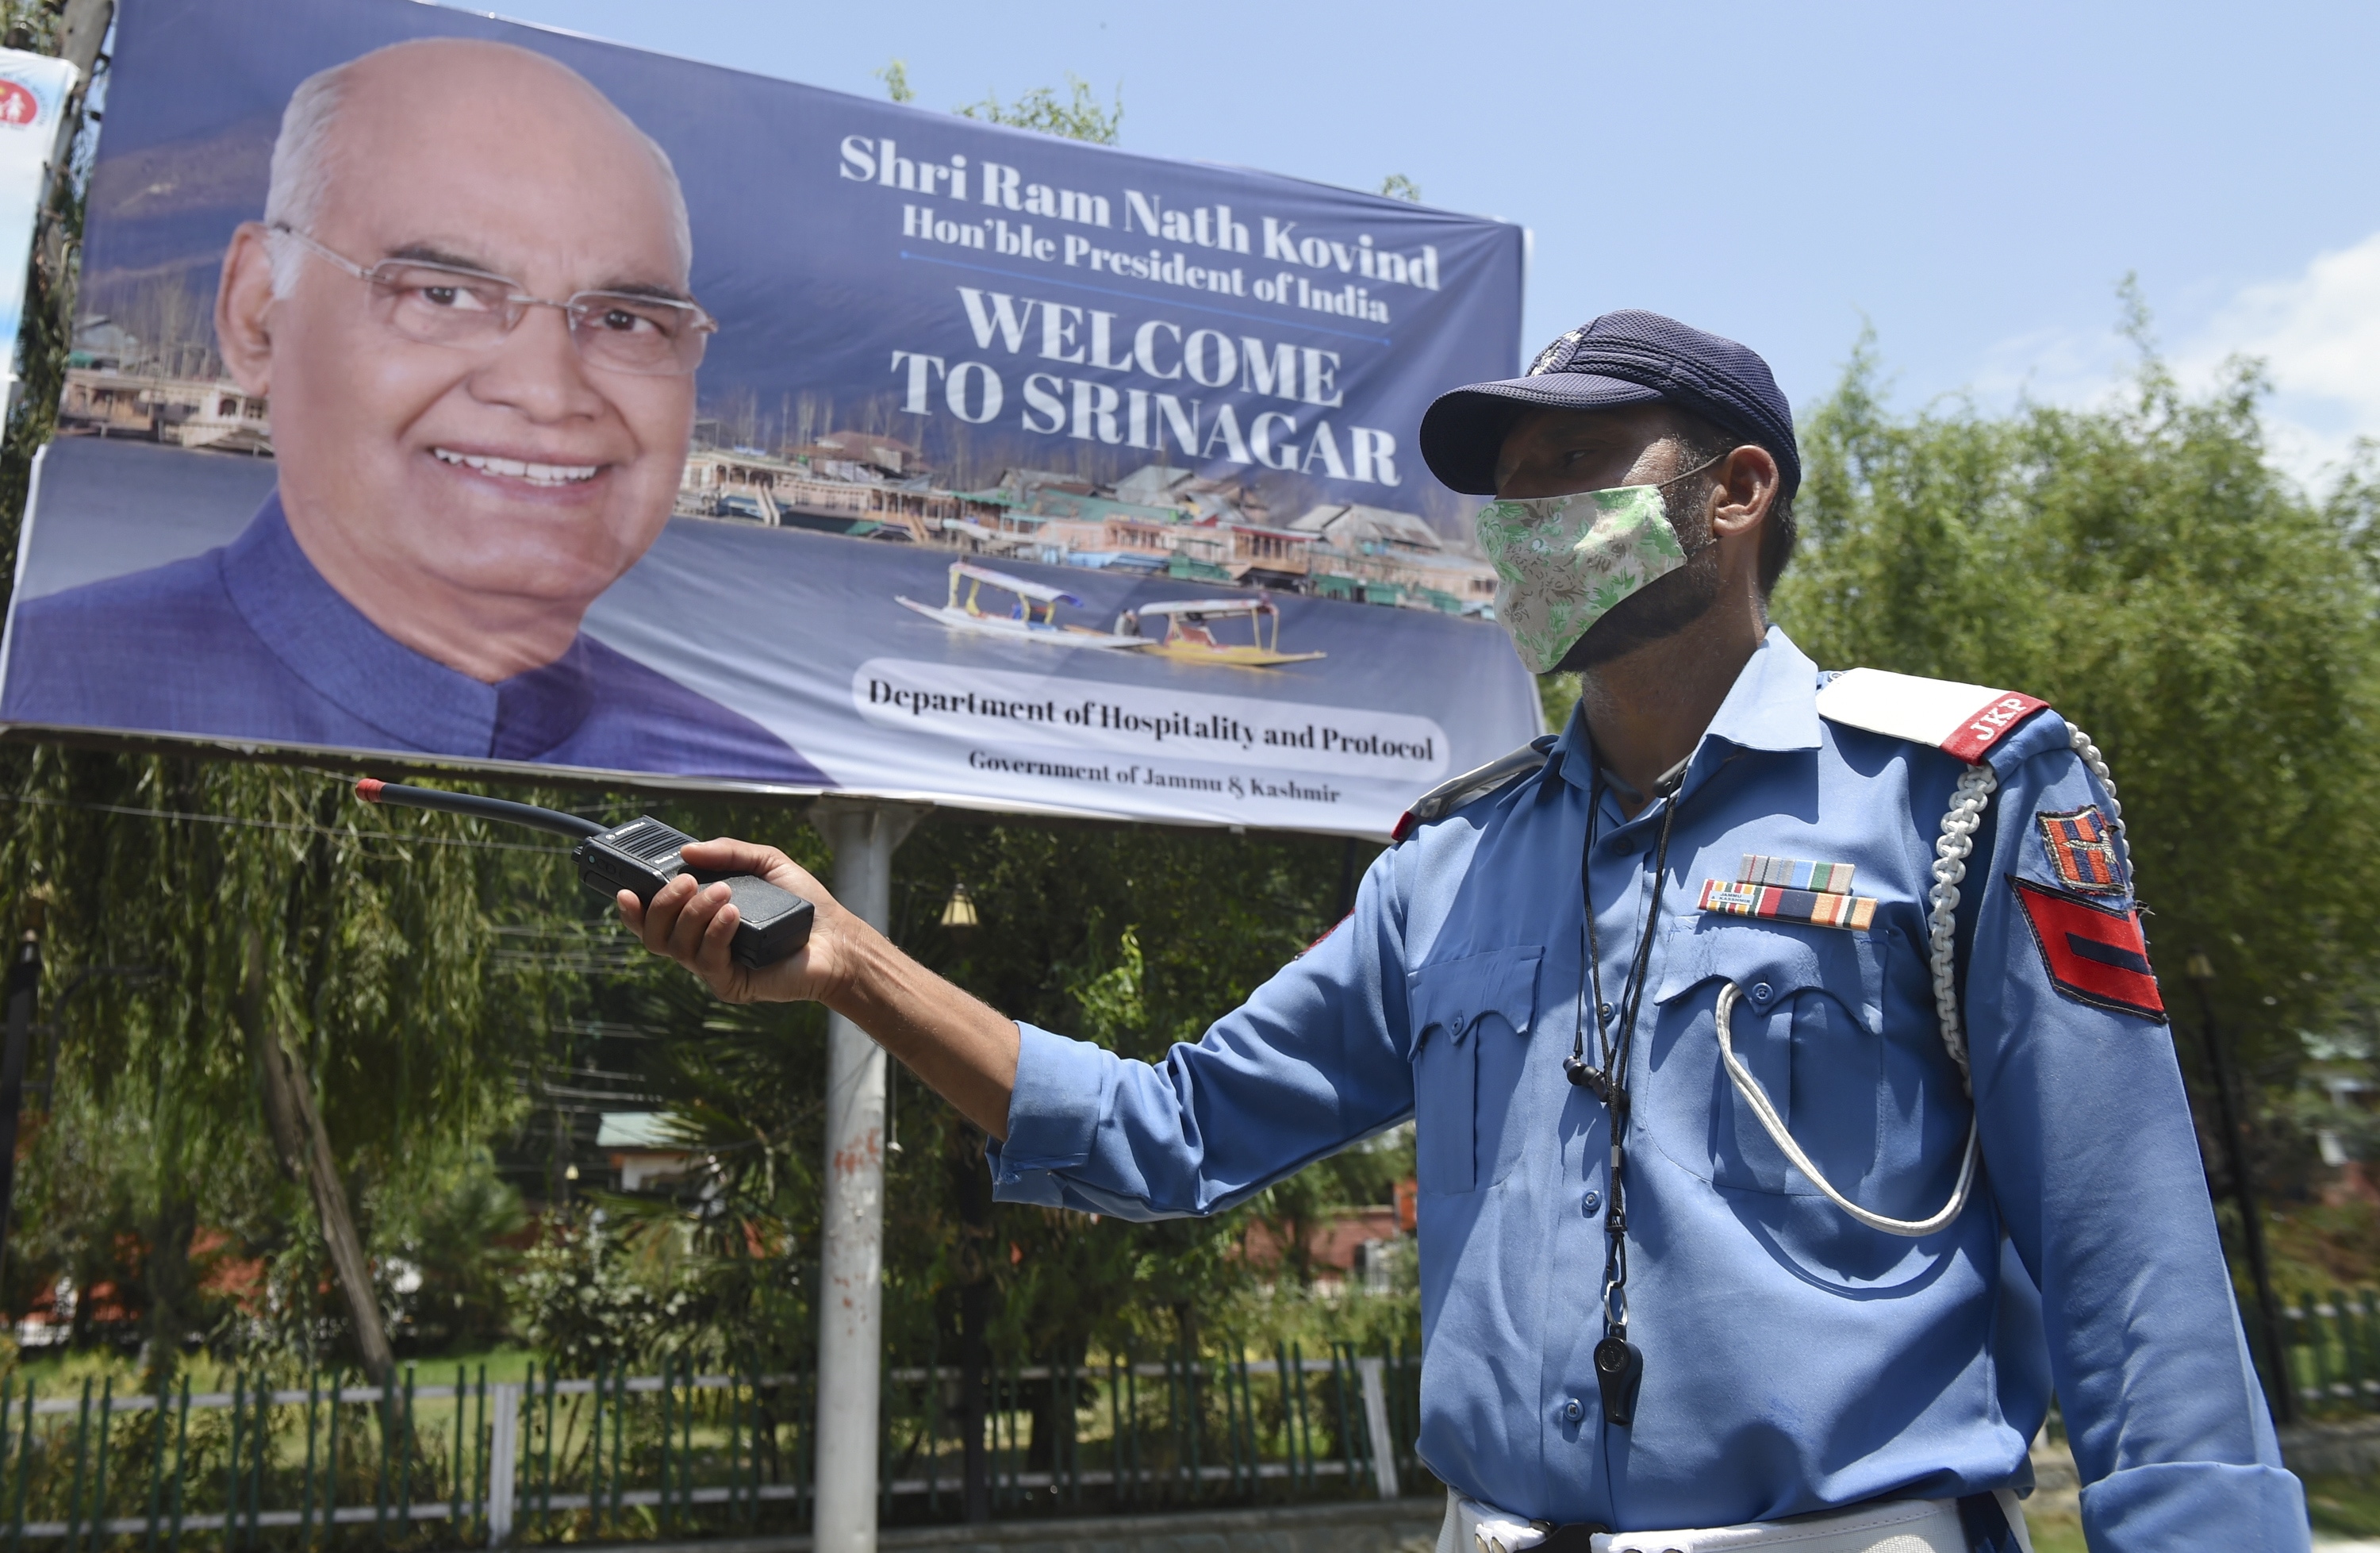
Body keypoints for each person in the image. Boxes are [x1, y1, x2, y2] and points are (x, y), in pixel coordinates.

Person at [620, 311, 2305, 1551]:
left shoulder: (1959, 798)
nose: (1524, 523)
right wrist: (855, 958)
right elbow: (1170, 1133)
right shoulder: (1448, 865)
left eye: (1574, 471)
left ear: (1734, 494)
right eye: (1504, 493)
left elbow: (2133, 1272)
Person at [2, 38, 827, 784]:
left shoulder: (748, 771)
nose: (547, 392)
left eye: (622, 319)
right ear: (257, 314)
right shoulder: (51, 679)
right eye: (444, 293)